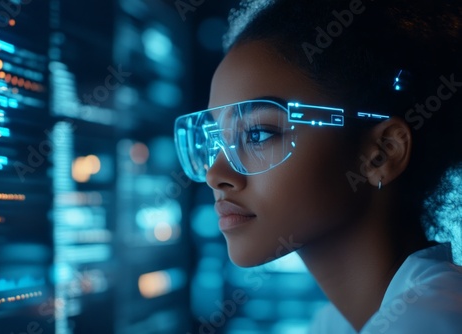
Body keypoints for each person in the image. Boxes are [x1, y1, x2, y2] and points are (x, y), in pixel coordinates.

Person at [174, 0, 462, 332]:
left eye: (257, 133)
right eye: (215, 140)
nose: (215, 174)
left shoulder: (430, 322)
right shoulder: (333, 324)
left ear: (381, 154)